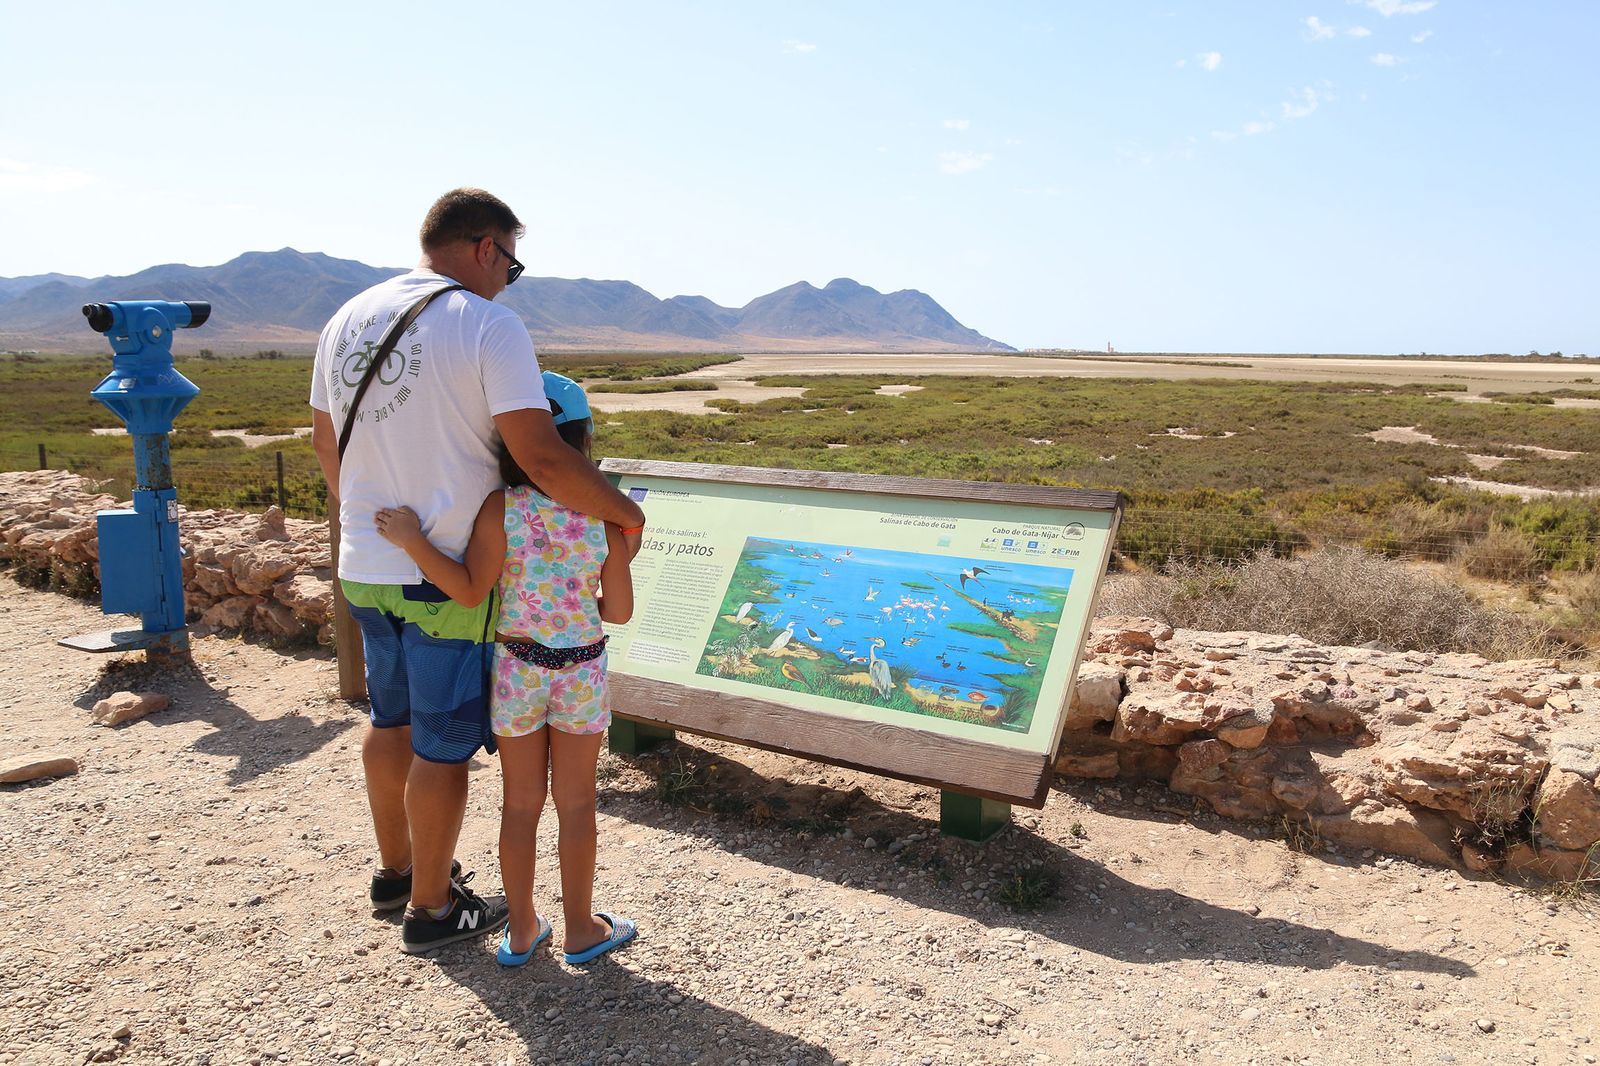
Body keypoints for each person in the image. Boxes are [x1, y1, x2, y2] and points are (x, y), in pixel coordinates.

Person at [309, 189, 645, 954]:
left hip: (367, 562)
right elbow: (540, 455)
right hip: (450, 574)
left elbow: (328, 445)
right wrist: (626, 515)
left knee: (386, 721)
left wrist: (368, 517)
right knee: (443, 746)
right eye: (513, 265)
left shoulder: (346, 319)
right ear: (487, 247)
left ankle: (396, 870)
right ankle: (432, 908)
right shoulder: (487, 322)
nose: (507, 280)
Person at [374, 372, 638, 967]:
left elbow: (469, 591)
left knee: (520, 805)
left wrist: (415, 543)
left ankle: (521, 931)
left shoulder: (500, 509)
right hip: (581, 670)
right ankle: (580, 929)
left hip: (519, 667)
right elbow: (617, 611)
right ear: (583, 438)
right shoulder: (606, 522)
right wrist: (575, 604)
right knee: (576, 804)